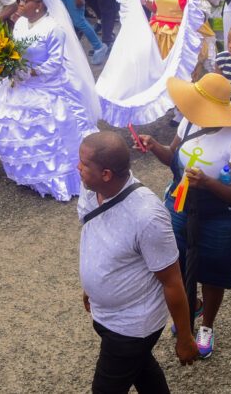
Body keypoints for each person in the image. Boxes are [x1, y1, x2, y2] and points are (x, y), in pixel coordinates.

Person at [136, 73, 231, 358]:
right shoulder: (189, 123)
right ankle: (190, 310)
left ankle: (207, 325)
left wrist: (208, 183)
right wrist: (154, 146)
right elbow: (172, 160)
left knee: (213, 274)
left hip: (222, 218)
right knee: (180, 265)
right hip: (182, 207)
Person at [76, 132, 197, 389]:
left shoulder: (148, 216)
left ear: (106, 174)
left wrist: (184, 337)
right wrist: (92, 287)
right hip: (106, 315)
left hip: (132, 326)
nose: (78, 168)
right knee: (142, 370)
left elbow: (173, 282)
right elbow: (96, 235)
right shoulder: (90, 189)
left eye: (84, 164)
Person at [0, 0, 99, 201]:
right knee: (16, 128)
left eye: (26, 1)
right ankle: (29, 174)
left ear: (39, 5)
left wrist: (30, 72)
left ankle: (54, 179)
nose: (21, 4)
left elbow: (55, 64)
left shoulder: (53, 28)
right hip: (19, 83)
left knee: (45, 130)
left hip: (44, 85)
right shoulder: (20, 24)